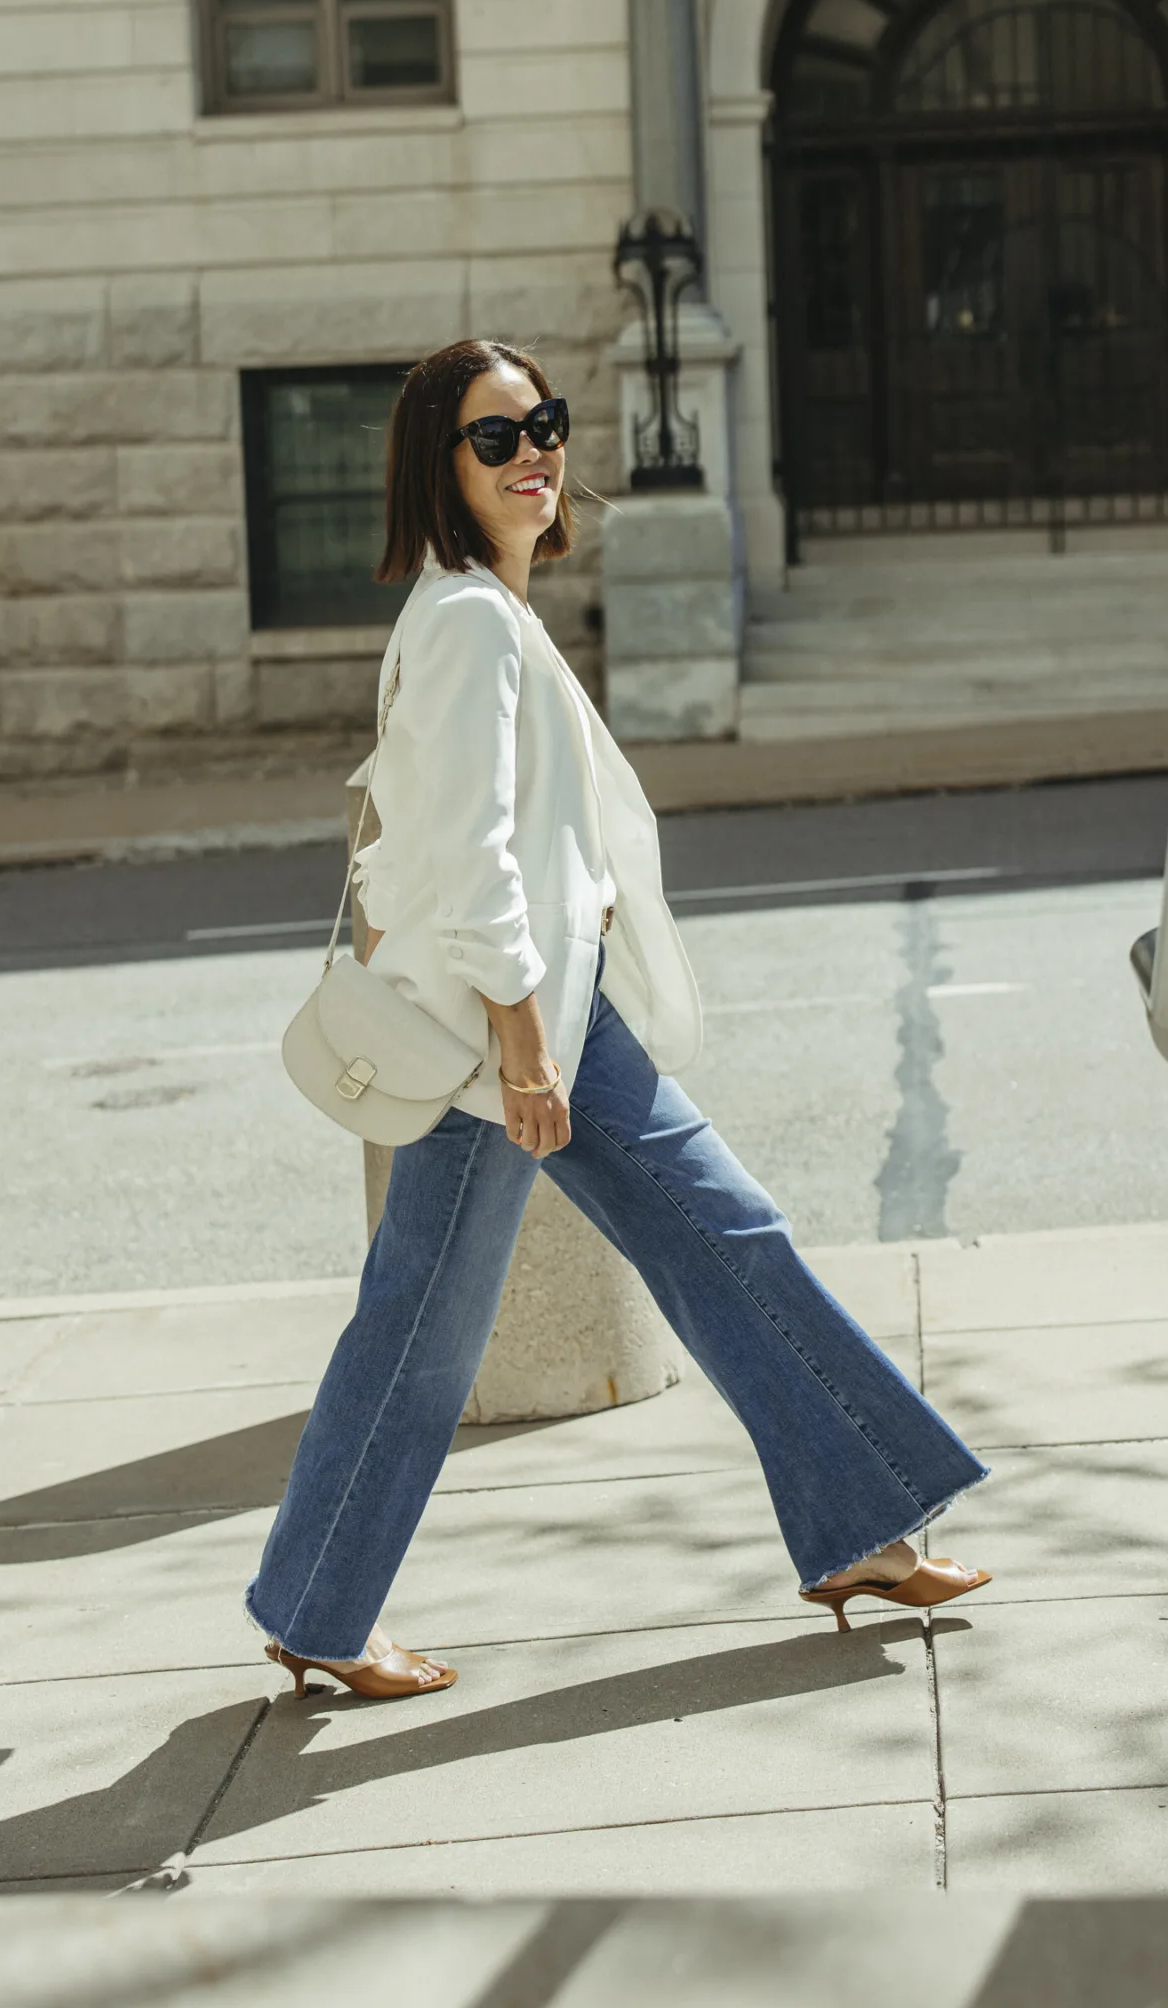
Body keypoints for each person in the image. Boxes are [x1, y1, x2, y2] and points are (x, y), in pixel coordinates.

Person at [246, 338, 990, 1701]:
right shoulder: (469, 620)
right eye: (496, 439)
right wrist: (525, 1051)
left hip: (566, 1022)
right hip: (502, 1042)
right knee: (421, 1333)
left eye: (547, 426)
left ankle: (858, 1524)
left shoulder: (492, 614)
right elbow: (475, 858)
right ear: (439, 466)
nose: (536, 454)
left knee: (729, 1242)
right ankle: (319, 1609)